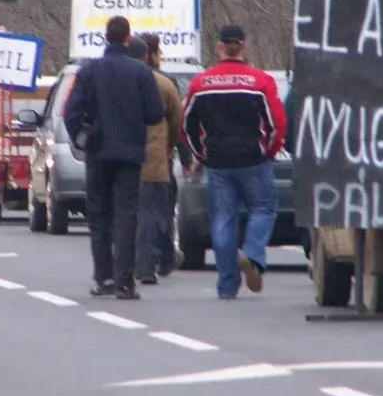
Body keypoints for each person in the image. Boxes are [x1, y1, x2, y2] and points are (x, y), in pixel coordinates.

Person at [64, 16, 164, 300]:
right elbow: (155, 114)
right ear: (127, 38)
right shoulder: (141, 72)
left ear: (106, 37)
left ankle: (102, 277)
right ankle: (124, 282)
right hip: (130, 153)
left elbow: (71, 112)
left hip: (98, 152)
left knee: (99, 215)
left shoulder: (89, 71)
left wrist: (83, 138)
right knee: (127, 214)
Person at [182, 25, 286, 299]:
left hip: (217, 162)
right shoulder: (260, 82)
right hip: (253, 159)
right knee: (263, 208)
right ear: (243, 47)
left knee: (223, 221)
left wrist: (200, 155)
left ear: (219, 48)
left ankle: (228, 285)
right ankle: (252, 253)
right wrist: (269, 150)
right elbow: (277, 123)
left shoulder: (201, 84)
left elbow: (187, 125)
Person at [128, 34, 183, 284]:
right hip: (154, 157)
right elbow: (176, 121)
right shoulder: (163, 83)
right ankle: (154, 262)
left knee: (125, 213)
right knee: (155, 211)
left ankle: (126, 266)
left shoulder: (112, 80)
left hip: (119, 158)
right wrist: (169, 148)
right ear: (149, 55)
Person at [282, 70, 312, 261]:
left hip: (306, 161)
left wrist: (294, 150)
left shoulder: (300, 87)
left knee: (309, 206)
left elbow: (287, 124)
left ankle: (313, 251)